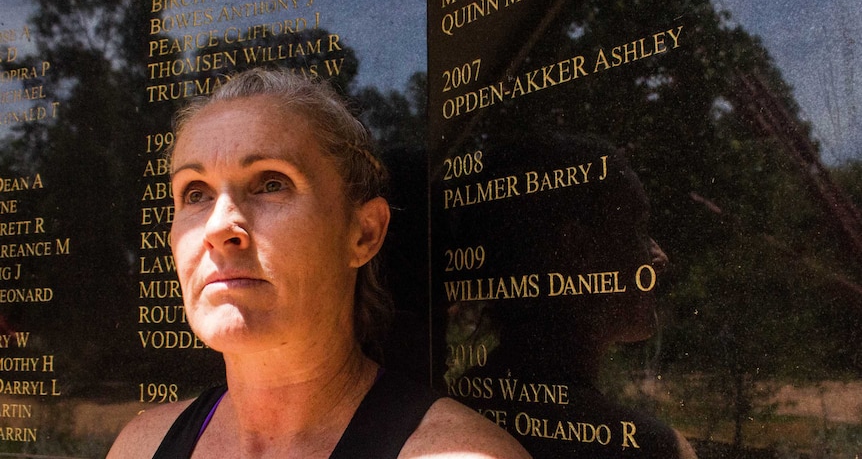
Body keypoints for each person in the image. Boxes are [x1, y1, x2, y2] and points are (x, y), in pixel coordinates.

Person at [108, 68, 531, 459]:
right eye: (195, 193)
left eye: (271, 184)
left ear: (364, 233)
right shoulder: (139, 447)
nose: (218, 226)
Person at [439, 132, 697, 458]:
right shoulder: (651, 450)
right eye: (637, 227)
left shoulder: (452, 410)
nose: (660, 258)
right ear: (576, 249)